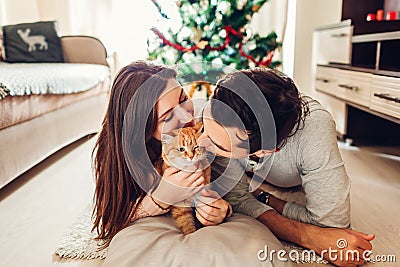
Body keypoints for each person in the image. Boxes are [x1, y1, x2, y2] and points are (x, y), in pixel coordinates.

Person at [198, 68, 375, 266]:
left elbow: (332, 224)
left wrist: (266, 198)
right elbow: (237, 198)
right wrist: (307, 236)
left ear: (266, 151)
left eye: (218, 145)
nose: (200, 141)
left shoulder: (314, 133)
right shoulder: (221, 110)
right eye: (205, 125)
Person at [92, 61, 231, 248]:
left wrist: (223, 209)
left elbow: (234, 186)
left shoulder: (201, 126)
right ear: (143, 130)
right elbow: (111, 218)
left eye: (183, 99)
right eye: (167, 117)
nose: (187, 117)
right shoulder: (120, 155)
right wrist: (161, 196)